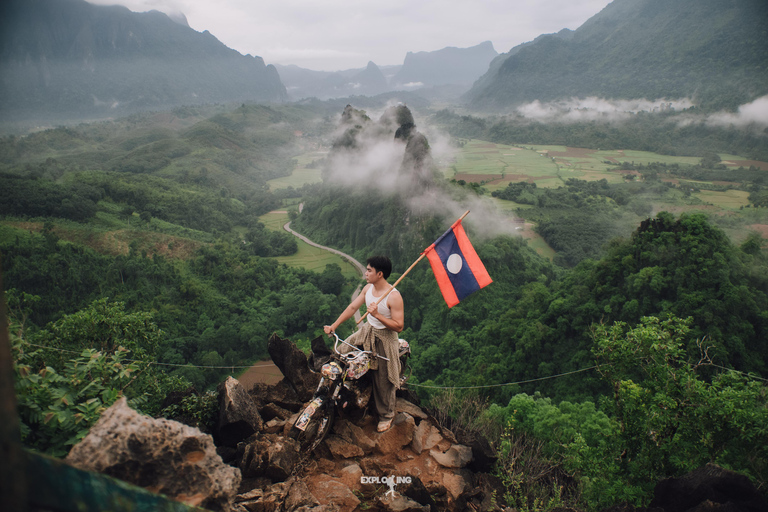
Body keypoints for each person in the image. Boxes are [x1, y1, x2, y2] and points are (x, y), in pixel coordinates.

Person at [324, 255, 404, 432]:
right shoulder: (368, 289)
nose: (366, 273)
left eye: (369, 270)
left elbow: (399, 326)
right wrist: (334, 326)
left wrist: (377, 315)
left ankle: (386, 415)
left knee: (383, 379)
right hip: (367, 331)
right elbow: (353, 308)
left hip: (385, 338)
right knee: (340, 353)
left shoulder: (394, 296)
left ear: (380, 274)